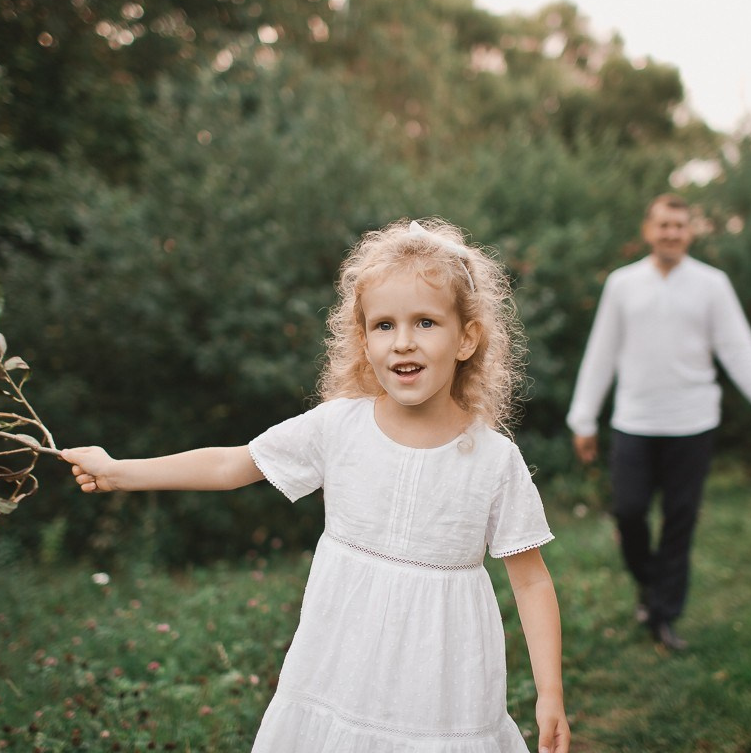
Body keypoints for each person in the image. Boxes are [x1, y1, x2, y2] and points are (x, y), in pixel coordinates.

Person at [62, 218, 570, 752]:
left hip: (440, 686)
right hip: (339, 667)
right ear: (363, 338)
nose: (402, 343)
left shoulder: (494, 459)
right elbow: (232, 465)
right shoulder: (339, 427)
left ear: (466, 339)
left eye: (425, 322)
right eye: (383, 325)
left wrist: (550, 692)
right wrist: (120, 471)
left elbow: (531, 581)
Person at [567, 193, 751, 651]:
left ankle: (663, 615)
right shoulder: (623, 284)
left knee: (680, 521)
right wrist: (583, 419)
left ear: (690, 232)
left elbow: (739, 350)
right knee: (630, 511)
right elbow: (601, 354)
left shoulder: (711, 284)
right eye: (663, 225)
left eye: (680, 225)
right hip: (634, 421)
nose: (671, 233)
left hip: (693, 423)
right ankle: (650, 584)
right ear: (648, 230)